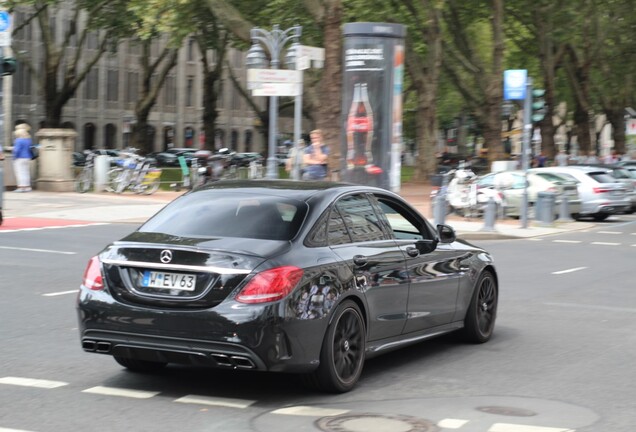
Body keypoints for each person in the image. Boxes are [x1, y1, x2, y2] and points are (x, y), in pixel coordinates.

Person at [12, 124, 34, 192]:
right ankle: (27, 187)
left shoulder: (18, 140)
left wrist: (14, 157)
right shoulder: (28, 140)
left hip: (19, 158)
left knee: (20, 173)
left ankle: (21, 187)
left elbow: (16, 150)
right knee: (26, 172)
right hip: (27, 157)